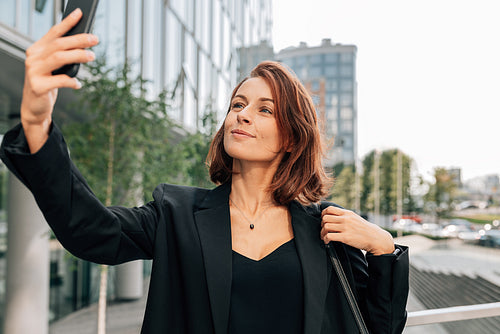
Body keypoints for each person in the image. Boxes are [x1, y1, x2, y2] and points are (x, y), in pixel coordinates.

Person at [0, 8, 409, 334]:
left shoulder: (327, 229)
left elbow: (378, 328)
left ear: (291, 138)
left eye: (264, 109)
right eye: (238, 104)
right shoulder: (176, 213)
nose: (243, 115)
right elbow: (90, 232)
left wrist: (384, 249)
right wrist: (37, 123)